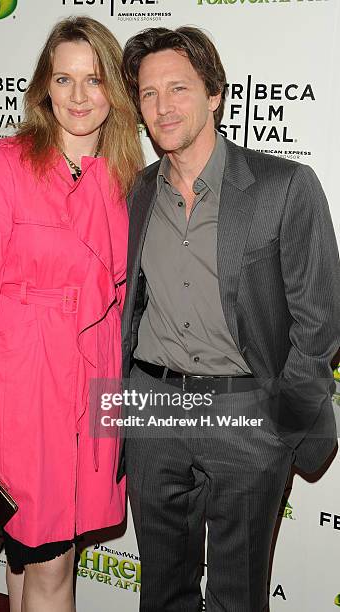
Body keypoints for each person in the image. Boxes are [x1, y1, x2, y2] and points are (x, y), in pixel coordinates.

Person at [118, 26, 340, 611]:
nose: (163, 107)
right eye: (148, 94)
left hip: (246, 413)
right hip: (151, 408)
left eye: (179, 88)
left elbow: (319, 322)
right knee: (160, 592)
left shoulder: (284, 185)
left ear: (214, 93)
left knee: (237, 597)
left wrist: (279, 428)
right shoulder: (138, 191)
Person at [0, 16, 143, 612]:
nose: (79, 96)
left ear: (115, 92)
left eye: (95, 80)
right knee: (51, 564)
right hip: (26, 387)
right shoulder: (7, 165)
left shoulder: (128, 176)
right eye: (64, 79)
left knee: (31, 562)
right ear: (43, 89)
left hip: (98, 380)